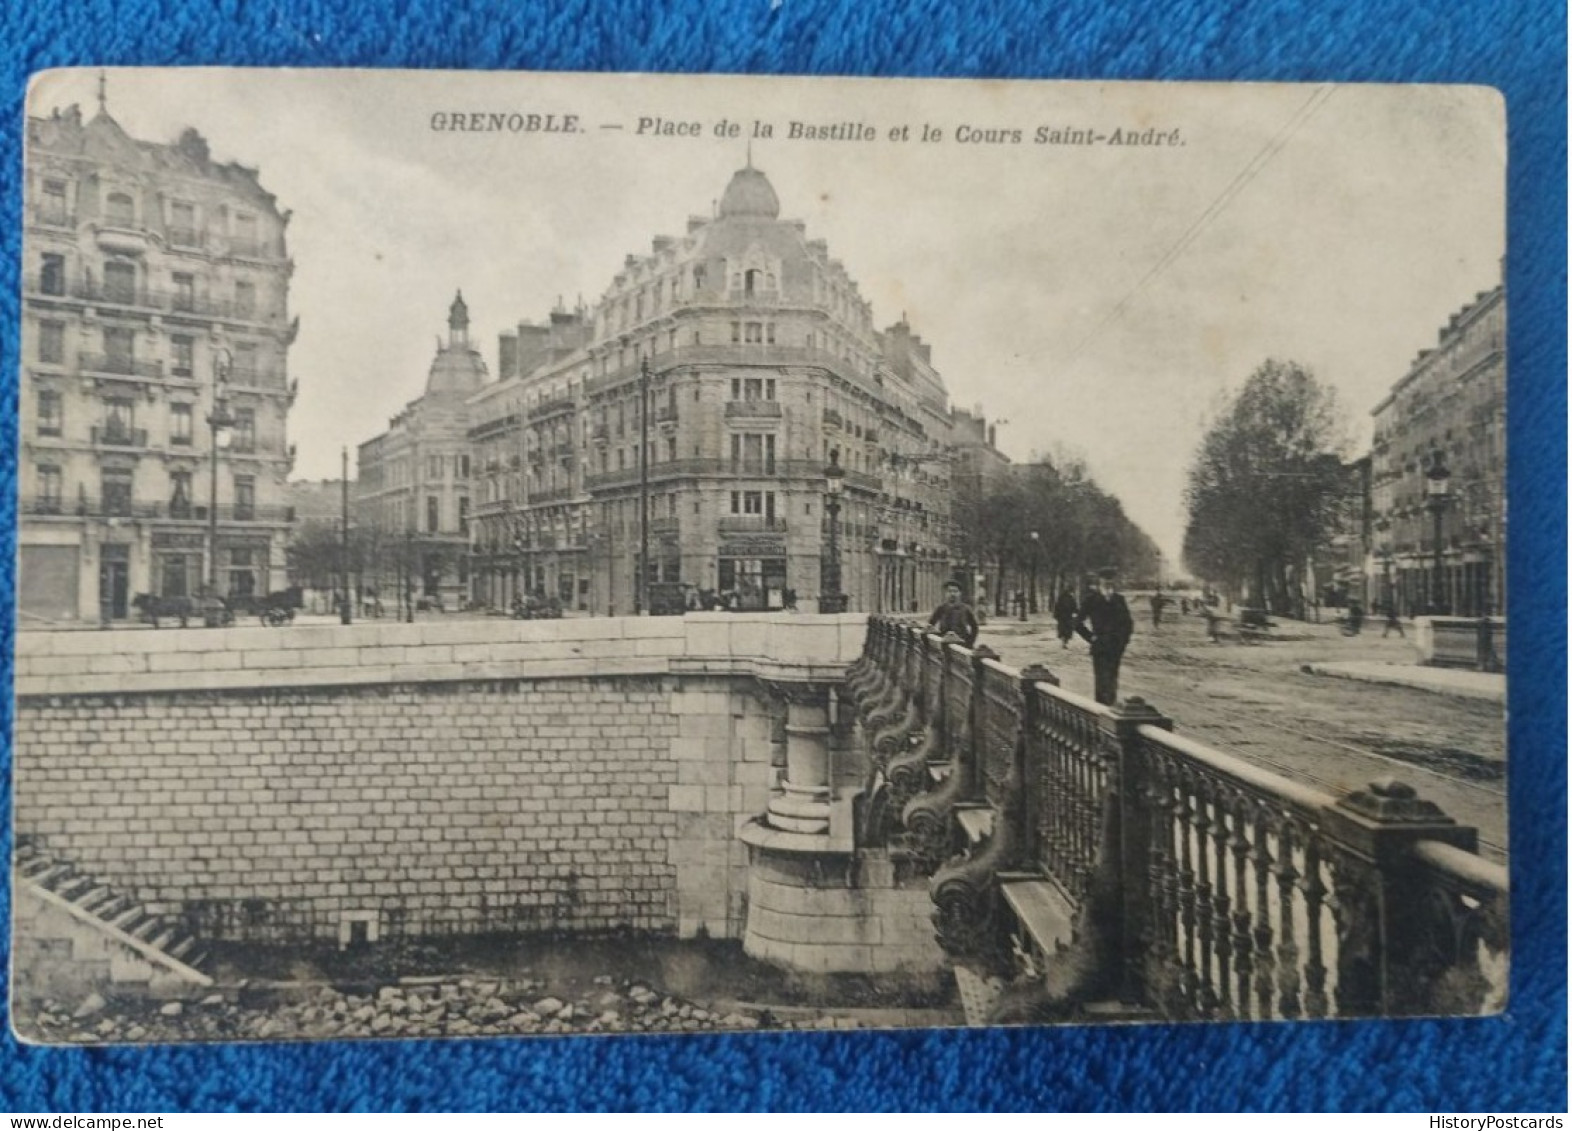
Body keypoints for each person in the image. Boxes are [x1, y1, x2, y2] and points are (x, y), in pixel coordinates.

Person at [1076, 567, 1134, 706]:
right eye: (1105, 579)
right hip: (1100, 646)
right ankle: (1101, 711)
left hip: (1116, 646)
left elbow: (1128, 623)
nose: (1108, 582)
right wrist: (1091, 638)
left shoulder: (1120, 600)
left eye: (1111, 579)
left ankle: (1111, 710)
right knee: (1102, 680)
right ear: (1100, 580)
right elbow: (1077, 622)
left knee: (1113, 679)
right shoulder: (1091, 600)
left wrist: (1123, 641)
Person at [928, 579, 980, 646]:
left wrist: (970, 642)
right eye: (949, 591)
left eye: (955, 591)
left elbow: (974, 627)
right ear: (945, 593)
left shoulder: (966, 609)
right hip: (944, 644)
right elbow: (930, 625)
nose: (952, 594)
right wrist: (937, 638)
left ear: (960, 593)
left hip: (961, 644)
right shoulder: (941, 608)